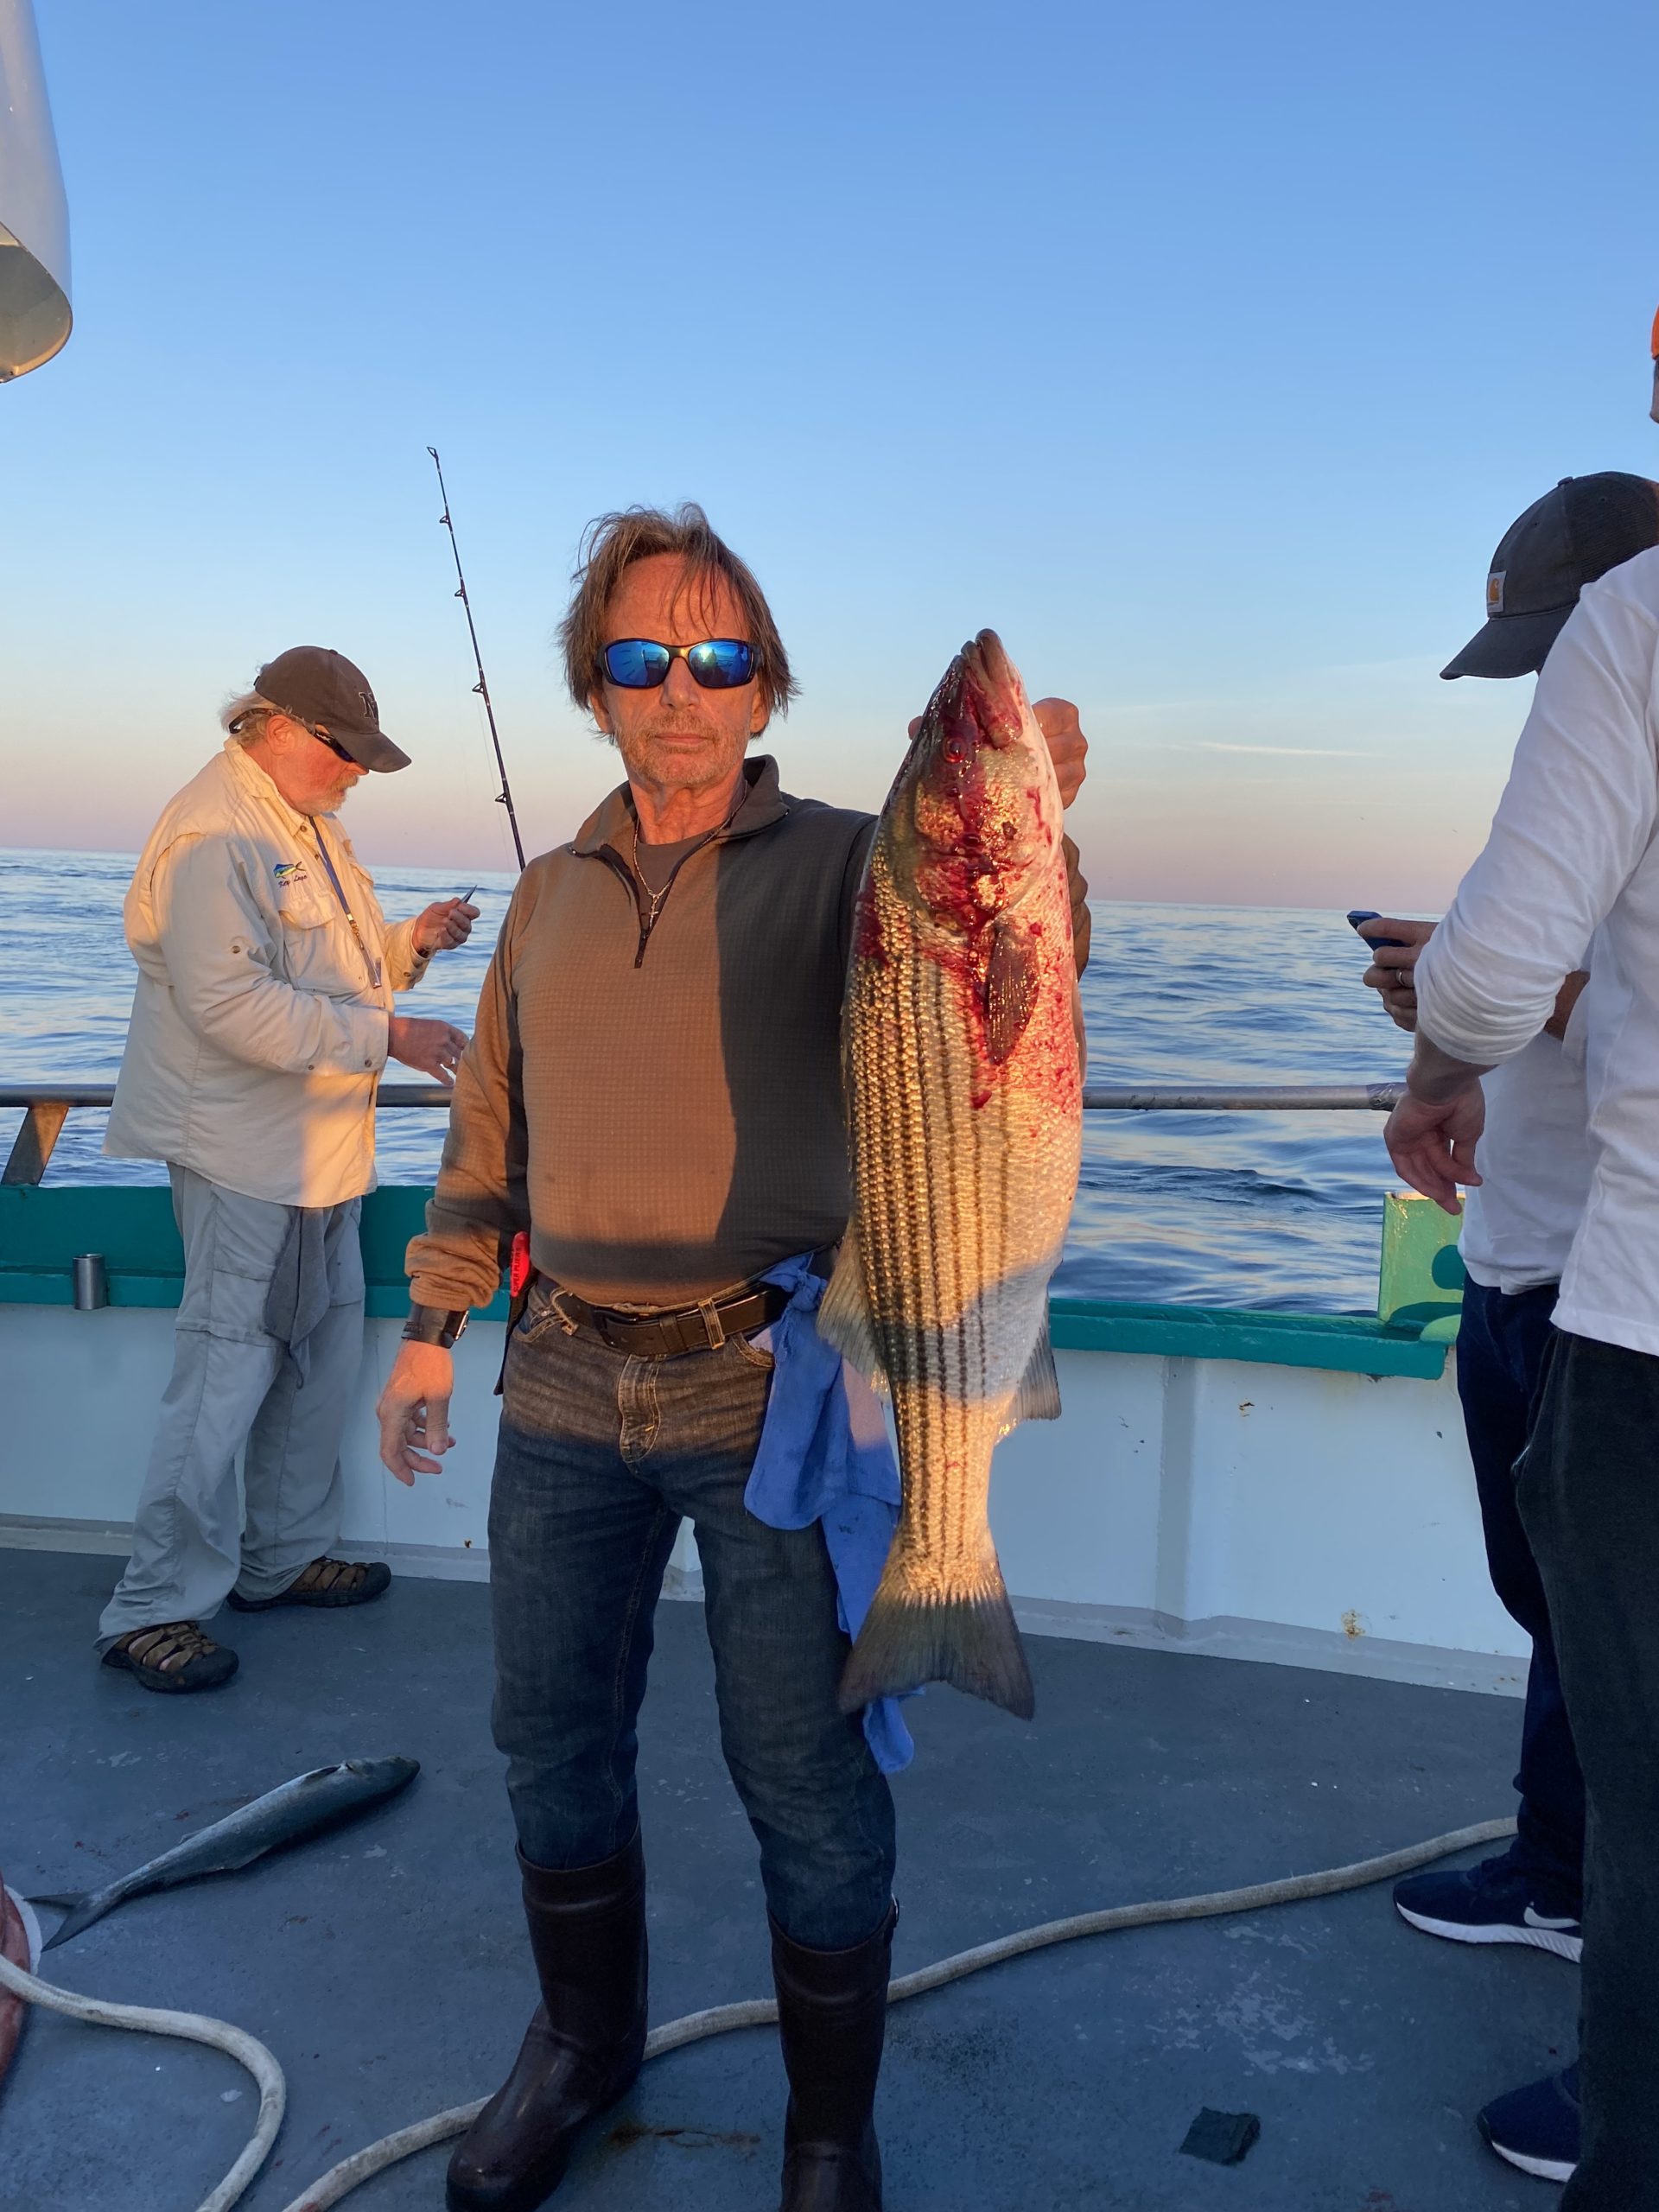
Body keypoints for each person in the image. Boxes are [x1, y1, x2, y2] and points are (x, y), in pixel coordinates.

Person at [373, 505, 1090, 2212]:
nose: (678, 689)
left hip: (767, 1383)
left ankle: (830, 2130)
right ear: (596, 689)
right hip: (559, 1378)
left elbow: (1001, 964)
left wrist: (1040, 818)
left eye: (715, 657)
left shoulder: (851, 860)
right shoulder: (545, 895)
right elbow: (488, 1129)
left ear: (763, 685)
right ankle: (581, 2041)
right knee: (548, 1738)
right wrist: (433, 1323)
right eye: (641, 658)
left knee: (802, 1773)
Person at [1353, 474, 1659, 2185]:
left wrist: (1460, 1013)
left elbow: (1533, 985)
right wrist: (1474, 1013)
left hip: (1616, 1291)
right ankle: (1554, 1874)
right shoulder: (1598, 735)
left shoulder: (1637, 643)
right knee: (1561, 1613)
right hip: (1529, 1258)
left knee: (1626, 1675)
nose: (1546, 676)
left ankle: (1632, 2086)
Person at [97, 647, 479, 1694]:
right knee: (221, 1381)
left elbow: (326, 967)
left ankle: (280, 1558)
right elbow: (228, 1005)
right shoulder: (211, 832)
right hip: (242, 1154)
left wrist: (409, 943)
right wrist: (391, 1035)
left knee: (316, 1364)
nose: (355, 772)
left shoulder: (306, 824)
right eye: (343, 750)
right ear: (275, 727)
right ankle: (151, 1607)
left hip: (323, 1156)